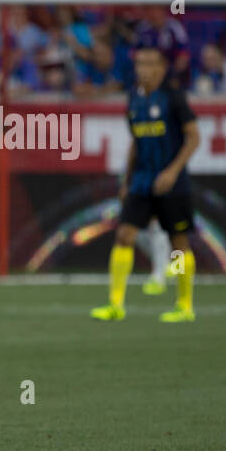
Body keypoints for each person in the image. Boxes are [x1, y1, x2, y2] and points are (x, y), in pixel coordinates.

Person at [91, 41, 200, 323]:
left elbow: (194, 137)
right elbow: (136, 142)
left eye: (151, 64)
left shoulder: (173, 97)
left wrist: (172, 171)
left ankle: (184, 305)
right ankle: (115, 304)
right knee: (124, 235)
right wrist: (127, 180)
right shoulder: (135, 99)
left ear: (162, 67)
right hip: (141, 180)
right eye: (140, 64)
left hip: (171, 182)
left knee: (179, 243)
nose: (145, 70)